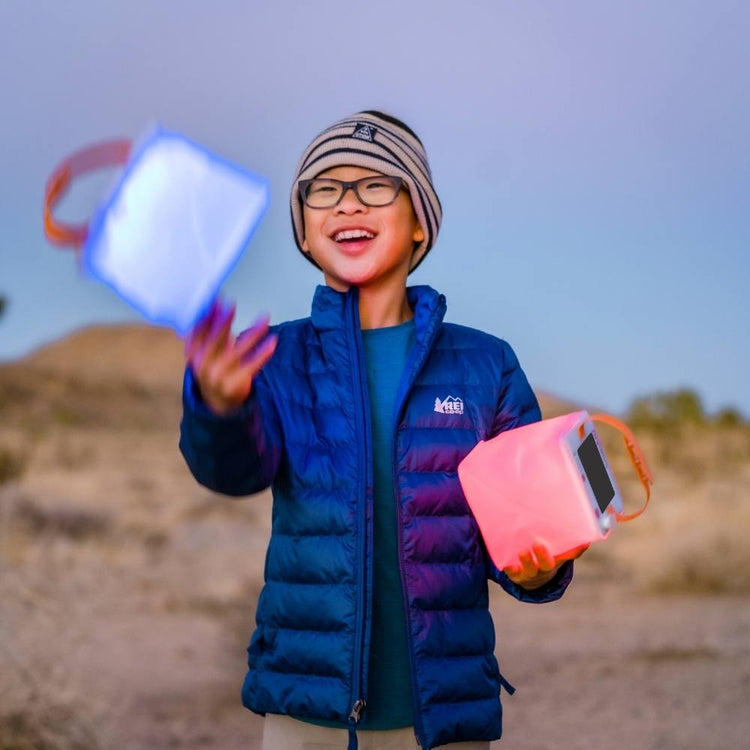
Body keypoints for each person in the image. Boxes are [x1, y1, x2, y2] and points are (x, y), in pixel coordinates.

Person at [179, 111, 584, 750]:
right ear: (305, 233)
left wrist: (537, 571)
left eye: (375, 185)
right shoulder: (276, 358)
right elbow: (233, 471)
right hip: (305, 706)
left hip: (443, 710)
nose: (346, 202)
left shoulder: (485, 364)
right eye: (324, 188)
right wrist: (219, 406)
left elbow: (529, 528)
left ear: (420, 220)